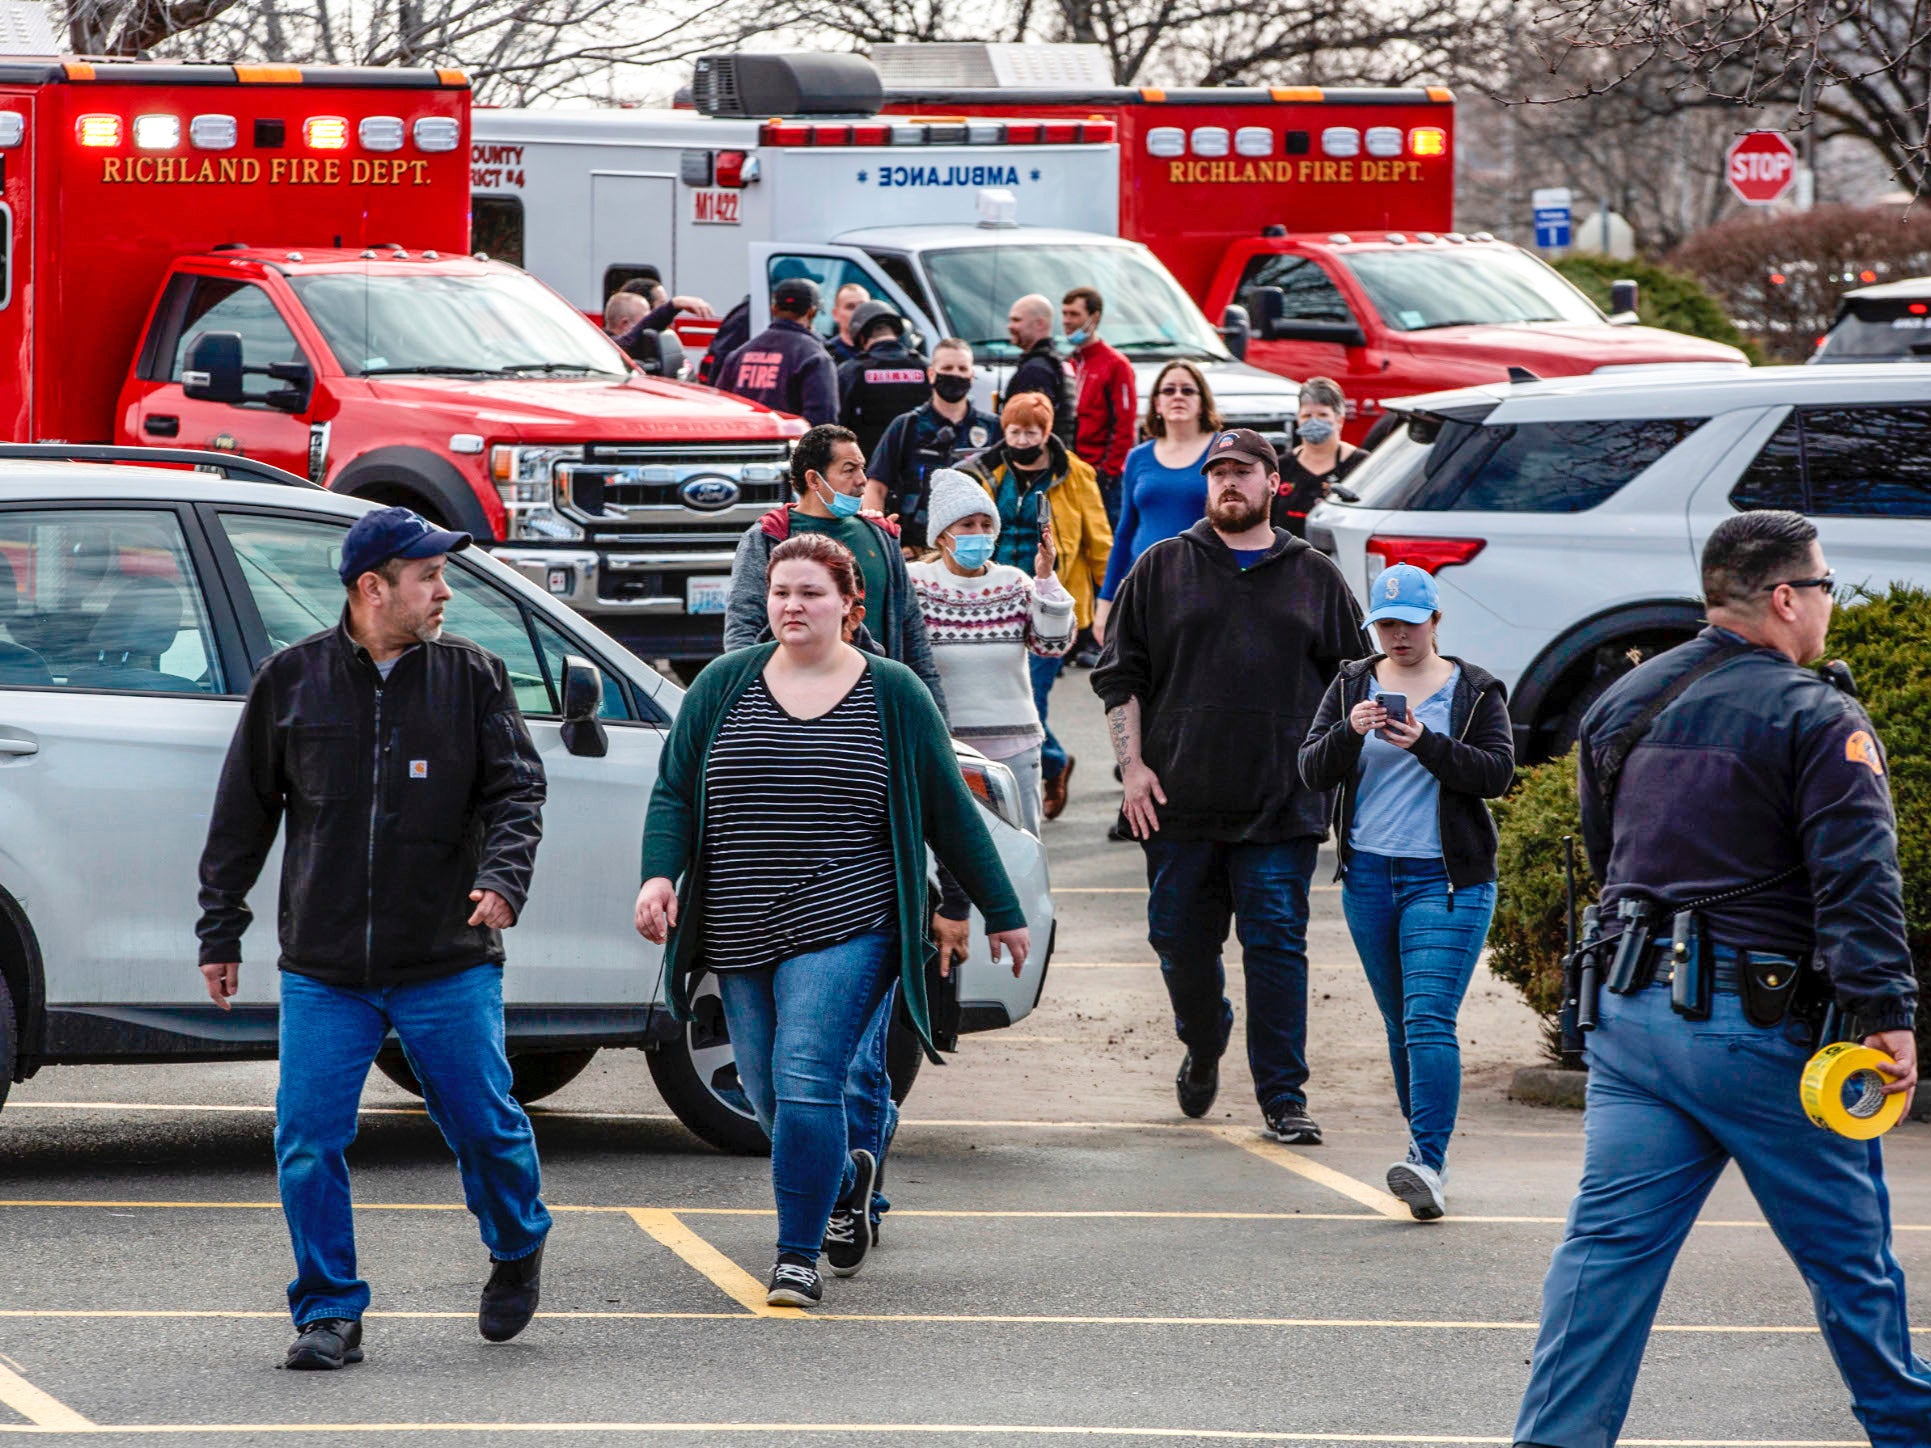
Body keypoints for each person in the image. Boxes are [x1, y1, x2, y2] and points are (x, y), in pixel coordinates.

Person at [1513, 510, 1929, 1448]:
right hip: (1757, 1032)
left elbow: (1606, 853)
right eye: (1822, 586)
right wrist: (1885, 1013)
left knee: (1604, 1260)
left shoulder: (1624, 700)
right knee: (1850, 1265)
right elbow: (1858, 879)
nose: (1827, 604)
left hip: (1628, 1020)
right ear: (1785, 598)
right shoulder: (1817, 714)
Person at [194, 507, 550, 1371]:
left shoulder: (473, 677)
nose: (443, 590)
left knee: (484, 1123)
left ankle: (516, 1240)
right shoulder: (292, 681)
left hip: (444, 957)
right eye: (427, 575)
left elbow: (517, 793)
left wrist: (502, 881)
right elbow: (242, 816)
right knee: (308, 1136)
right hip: (326, 968)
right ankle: (328, 1310)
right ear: (371, 588)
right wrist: (221, 926)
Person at [635, 532, 1031, 1308]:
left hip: (851, 916)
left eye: (810, 593)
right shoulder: (722, 684)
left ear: (850, 606)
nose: (792, 605)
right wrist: (658, 874)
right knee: (767, 1098)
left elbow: (949, 810)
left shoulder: (893, 692)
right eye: (782, 592)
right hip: (739, 921)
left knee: (807, 1075)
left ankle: (795, 1255)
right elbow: (673, 791)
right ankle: (844, 1174)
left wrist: (1000, 911)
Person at [1091, 429, 1362, 1144]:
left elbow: (1351, 686)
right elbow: (1120, 677)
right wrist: (1133, 767)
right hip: (1177, 803)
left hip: (1280, 804)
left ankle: (1283, 1097)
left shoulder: (1314, 576)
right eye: (1216, 473)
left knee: (1275, 947)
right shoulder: (1161, 567)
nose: (1226, 484)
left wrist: (1332, 778)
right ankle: (1204, 1040)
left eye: (1242, 472)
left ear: (1274, 483)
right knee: (1178, 943)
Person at [723, 424, 949, 1242]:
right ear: (813, 479)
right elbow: (743, 640)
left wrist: (926, 734)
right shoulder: (769, 541)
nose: (863, 481)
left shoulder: (882, 546)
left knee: (851, 1062)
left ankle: (858, 1197)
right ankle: (843, 1174)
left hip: (870, 817)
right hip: (783, 816)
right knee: (779, 1078)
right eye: (851, 471)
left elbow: (919, 657)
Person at [1297, 563, 1514, 1220]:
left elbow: (1496, 774)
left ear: (1435, 622)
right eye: (1384, 624)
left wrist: (1425, 742)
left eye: (1408, 624)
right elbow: (1309, 769)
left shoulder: (1474, 690)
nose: (1396, 637)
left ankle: (1427, 1159)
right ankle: (1422, 1145)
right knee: (1399, 1024)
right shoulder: (1351, 683)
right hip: (1368, 877)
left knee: (1426, 1019)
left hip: (1446, 881)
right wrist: (1348, 731)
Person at [965, 393, 1112, 822]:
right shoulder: (985, 473)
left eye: (1031, 431)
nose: (1022, 438)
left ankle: (1033, 776)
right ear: (1003, 431)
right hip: (994, 603)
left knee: (1031, 699)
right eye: (1014, 431)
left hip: (1049, 604)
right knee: (1006, 696)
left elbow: (1099, 539)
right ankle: (1054, 760)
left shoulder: (1076, 475)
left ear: (1047, 433)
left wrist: (1110, 601)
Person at [910, 468, 1074, 834]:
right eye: (967, 524)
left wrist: (1046, 577)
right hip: (943, 747)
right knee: (947, 857)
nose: (979, 534)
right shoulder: (915, 584)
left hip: (1014, 743)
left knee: (1021, 846)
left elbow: (1052, 644)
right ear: (942, 535)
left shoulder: (1013, 582)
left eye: (986, 524)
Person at [1094, 361, 1223, 649]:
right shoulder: (1137, 458)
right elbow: (1125, 532)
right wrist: (1105, 600)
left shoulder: (1221, 452)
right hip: (1145, 588)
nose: (1178, 396)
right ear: (1157, 403)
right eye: (1169, 390)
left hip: (1205, 590)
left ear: (1202, 403)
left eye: (1188, 390)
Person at [864, 337, 1002, 552]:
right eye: (947, 367)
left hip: (975, 548)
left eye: (962, 368)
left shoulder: (993, 428)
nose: (955, 374)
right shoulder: (906, 426)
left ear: (972, 375)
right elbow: (876, 487)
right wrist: (880, 543)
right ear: (931, 374)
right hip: (916, 548)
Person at [716, 277, 838, 426]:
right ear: (811, 312)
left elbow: (721, 409)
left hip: (742, 445)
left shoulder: (739, 355)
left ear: (774, 309)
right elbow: (823, 420)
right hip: (787, 446)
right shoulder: (815, 357)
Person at [1062, 287, 1137, 525]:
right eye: (1064, 314)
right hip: (1071, 471)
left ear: (1094, 317)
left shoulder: (1116, 364)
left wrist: (1109, 472)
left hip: (1101, 475)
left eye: (1074, 314)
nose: (1066, 321)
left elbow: (1125, 425)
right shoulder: (1070, 361)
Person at [836, 301, 931, 461]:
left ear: (861, 336)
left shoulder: (851, 370)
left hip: (869, 466)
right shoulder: (925, 367)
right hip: (918, 463)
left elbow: (838, 424)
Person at [1273, 377, 1366, 538]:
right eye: (1307, 415)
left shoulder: (1362, 465)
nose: (1314, 421)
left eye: (1322, 414)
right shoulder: (1281, 467)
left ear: (1339, 420)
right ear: (1298, 419)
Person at [1002, 294, 1076, 448]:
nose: (1010, 326)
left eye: (1017, 320)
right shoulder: (1055, 362)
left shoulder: (1036, 370)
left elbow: (1026, 426)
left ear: (1040, 324)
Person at [827, 282, 871, 365]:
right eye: (850, 307)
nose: (858, 311)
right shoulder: (826, 356)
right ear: (836, 314)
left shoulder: (883, 351)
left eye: (863, 305)